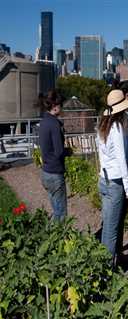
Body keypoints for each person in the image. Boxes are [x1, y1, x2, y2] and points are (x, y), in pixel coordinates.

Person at [97, 89, 128, 266]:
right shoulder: (118, 127)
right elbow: (121, 158)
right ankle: (106, 270)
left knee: (107, 226)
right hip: (115, 183)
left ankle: (105, 265)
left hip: (104, 179)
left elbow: (102, 154)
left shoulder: (103, 124)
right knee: (112, 231)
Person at [38, 90, 72, 221]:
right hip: (55, 174)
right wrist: (68, 151)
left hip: (46, 172)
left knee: (56, 211)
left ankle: (50, 237)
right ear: (55, 106)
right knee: (61, 214)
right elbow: (59, 151)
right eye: (61, 105)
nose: (62, 108)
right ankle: (57, 239)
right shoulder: (54, 124)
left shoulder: (44, 122)